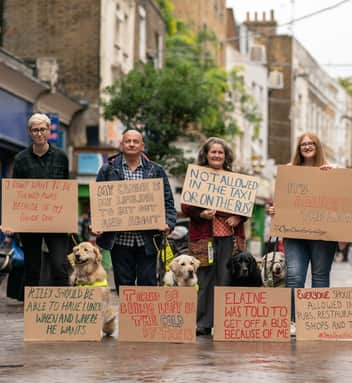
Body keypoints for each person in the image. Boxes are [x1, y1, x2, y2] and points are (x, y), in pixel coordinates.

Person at [267, 132, 337, 333]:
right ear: (298, 148)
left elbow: (342, 199)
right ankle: (292, 321)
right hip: (295, 234)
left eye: (311, 143)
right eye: (303, 144)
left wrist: (332, 178)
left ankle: (316, 322)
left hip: (323, 235)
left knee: (320, 277)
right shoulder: (289, 171)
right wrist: (274, 209)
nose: (307, 146)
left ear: (318, 146)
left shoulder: (332, 169)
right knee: (295, 277)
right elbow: (280, 201)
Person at [94, 130, 176, 294]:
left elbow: (167, 201)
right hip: (119, 240)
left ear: (142, 146)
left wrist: (169, 223)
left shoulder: (156, 170)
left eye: (135, 141)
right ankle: (127, 321)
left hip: (147, 240)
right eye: (128, 141)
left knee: (148, 285)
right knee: (124, 287)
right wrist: (96, 223)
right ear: (121, 145)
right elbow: (98, 201)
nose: (131, 144)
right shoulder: (107, 170)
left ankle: (146, 320)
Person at [181, 137, 247, 337]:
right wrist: (201, 214)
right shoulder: (197, 177)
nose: (217, 155)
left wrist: (238, 217)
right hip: (204, 239)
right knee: (205, 279)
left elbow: (246, 207)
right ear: (206, 155)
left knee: (226, 279)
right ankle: (203, 323)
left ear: (225, 156)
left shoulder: (234, 178)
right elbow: (185, 207)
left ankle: (225, 322)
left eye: (220, 152)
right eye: (213, 152)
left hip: (229, 239)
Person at [3, 113, 70, 287]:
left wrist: (68, 220)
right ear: (30, 133)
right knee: (32, 267)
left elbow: (66, 190)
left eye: (42, 129)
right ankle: (32, 310)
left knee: (59, 265)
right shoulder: (20, 160)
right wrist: (10, 222)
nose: (39, 133)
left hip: (55, 221)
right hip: (29, 221)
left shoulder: (61, 158)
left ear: (49, 131)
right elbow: (14, 192)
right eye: (35, 130)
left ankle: (63, 308)